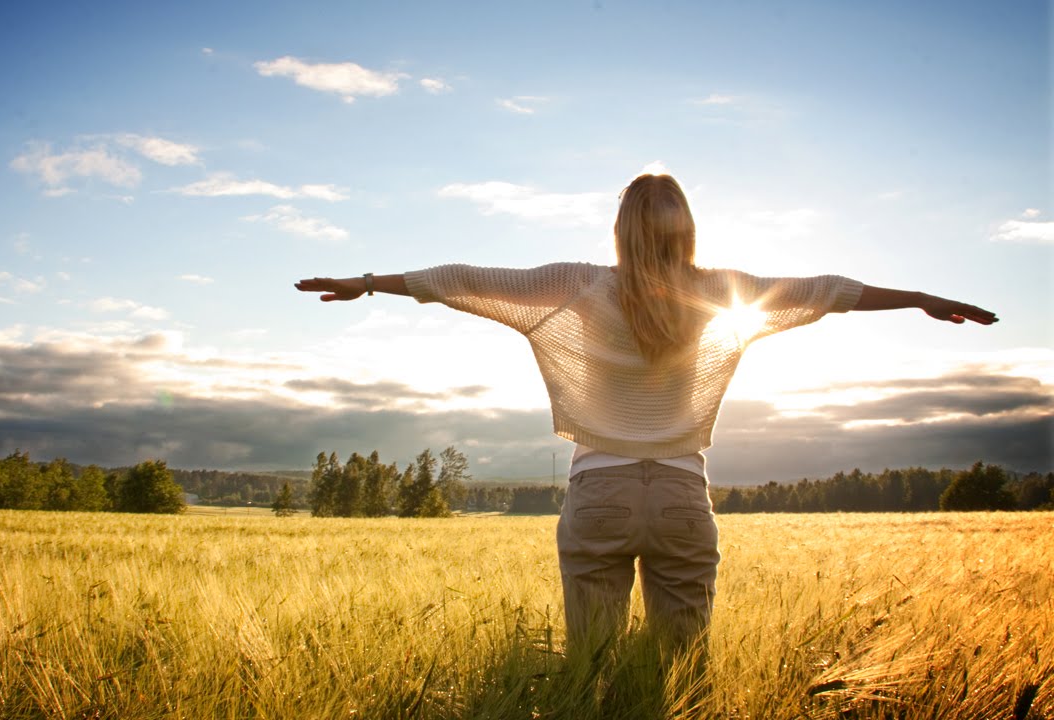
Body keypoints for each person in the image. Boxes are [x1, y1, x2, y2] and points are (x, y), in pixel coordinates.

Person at [294, 173, 997, 659]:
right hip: (684, 495)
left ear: (620, 229)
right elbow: (828, 290)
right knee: (681, 670)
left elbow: (458, 280)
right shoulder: (718, 289)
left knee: (592, 667)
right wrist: (919, 297)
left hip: (599, 490)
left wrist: (366, 284)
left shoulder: (572, 285)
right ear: (686, 229)